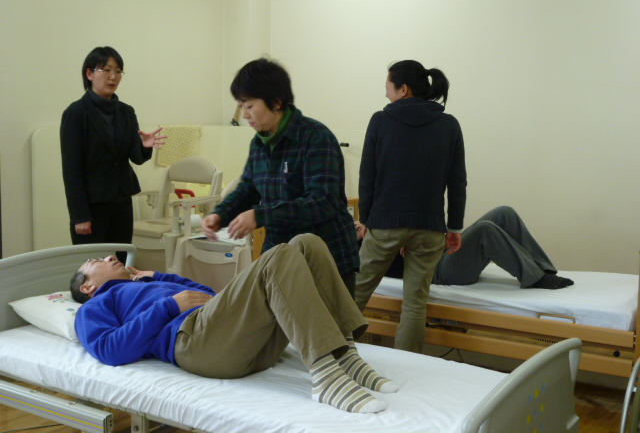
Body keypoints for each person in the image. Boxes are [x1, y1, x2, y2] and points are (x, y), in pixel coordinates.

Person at [71, 234, 398, 414]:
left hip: (237, 343)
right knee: (279, 255)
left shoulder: (145, 283)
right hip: (197, 345)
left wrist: (158, 277)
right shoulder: (95, 306)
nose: (110, 257)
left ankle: (344, 354)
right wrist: (170, 305)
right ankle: (326, 376)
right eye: (97, 261)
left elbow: (207, 296)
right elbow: (110, 350)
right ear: (87, 287)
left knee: (307, 243)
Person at [202, 58, 359, 296]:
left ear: (276, 102)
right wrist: (219, 215)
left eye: (249, 105)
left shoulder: (316, 137)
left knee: (326, 321)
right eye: (241, 106)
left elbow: (322, 202)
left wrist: (261, 215)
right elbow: (247, 189)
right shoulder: (259, 143)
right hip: (280, 259)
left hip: (327, 260)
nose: (244, 114)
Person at [355, 60, 467, 353]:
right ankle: (409, 367)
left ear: (403, 89)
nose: (386, 94)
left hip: (384, 223)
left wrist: (366, 220)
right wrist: (454, 227)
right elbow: (457, 182)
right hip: (429, 228)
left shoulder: (380, 121)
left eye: (388, 87)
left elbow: (367, 176)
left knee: (354, 295)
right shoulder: (449, 124)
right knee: (415, 304)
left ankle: (333, 356)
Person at [60, 46, 166, 253]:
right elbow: (71, 169)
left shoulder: (126, 112)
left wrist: (144, 146)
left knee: (120, 261)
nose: (113, 76)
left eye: (118, 71)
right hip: (92, 206)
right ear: (89, 74)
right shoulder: (76, 113)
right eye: (106, 70)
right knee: (93, 265)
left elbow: (135, 157)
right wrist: (79, 215)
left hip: (121, 201)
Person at [367, 206, 574, 289]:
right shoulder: (368, 249)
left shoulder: (381, 229)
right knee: (485, 230)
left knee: (504, 213)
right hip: (438, 272)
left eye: (356, 222)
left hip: (443, 253)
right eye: (353, 226)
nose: (356, 224)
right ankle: (534, 279)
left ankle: (541, 268)